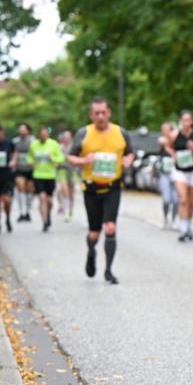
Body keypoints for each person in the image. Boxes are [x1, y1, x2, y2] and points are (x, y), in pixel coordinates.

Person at [67, 97, 135, 284]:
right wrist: (83, 161)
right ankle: (91, 252)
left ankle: (108, 270)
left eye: (103, 112)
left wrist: (128, 160)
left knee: (110, 227)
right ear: (91, 115)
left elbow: (130, 152)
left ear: (109, 113)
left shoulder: (120, 132)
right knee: (94, 233)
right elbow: (70, 157)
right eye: (96, 113)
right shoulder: (84, 134)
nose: (100, 116)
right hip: (91, 188)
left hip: (113, 187)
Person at [164, 110, 193, 242]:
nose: (186, 123)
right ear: (180, 121)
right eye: (184, 120)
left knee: (191, 202)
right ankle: (183, 230)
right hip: (179, 171)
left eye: (188, 120)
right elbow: (167, 146)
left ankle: (188, 226)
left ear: (192, 122)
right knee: (183, 200)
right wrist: (173, 154)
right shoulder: (174, 134)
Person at [27, 126, 66, 232]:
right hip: (38, 175)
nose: (43, 136)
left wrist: (52, 158)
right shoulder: (34, 145)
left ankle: (48, 216)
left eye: (45, 134)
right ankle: (44, 221)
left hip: (50, 175)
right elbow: (29, 156)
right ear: (39, 135)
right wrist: (31, 162)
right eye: (42, 134)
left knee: (49, 201)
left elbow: (61, 158)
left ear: (47, 135)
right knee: (42, 198)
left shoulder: (53, 144)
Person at [156, 122, 180, 229]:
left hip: (175, 173)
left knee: (176, 200)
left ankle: (174, 220)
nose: (165, 131)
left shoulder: (177, 141)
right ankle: (165, 218)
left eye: (167, 129)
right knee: (166, 199)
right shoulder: (162, 140)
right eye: (163, 129)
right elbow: (163, 142)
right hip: (165, 173)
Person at [12, 123, 35, 222]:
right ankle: (22, 212)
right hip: (19, 169)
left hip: (30, 169)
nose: (21, 131)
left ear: (28, 130)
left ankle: (28, 211)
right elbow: (13, 153)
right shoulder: (15, 141)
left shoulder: (33, 141)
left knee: (29, 191)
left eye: (23, 129)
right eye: (20, 129)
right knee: (20, 188)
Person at [56, 130, 76, 222]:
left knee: (71, 194)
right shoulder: (59, 147)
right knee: (63, 191)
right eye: (65, 137)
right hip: (62, 171)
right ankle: (65, 210)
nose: (67, 139)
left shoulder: (74, 147)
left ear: (71, 138)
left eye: (68, 137)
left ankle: (70, 210)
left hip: (72, 171)